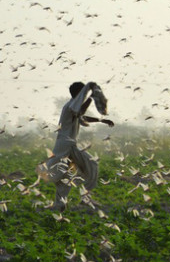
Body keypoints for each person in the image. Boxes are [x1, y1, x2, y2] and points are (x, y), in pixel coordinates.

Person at [37, 82, 113, 211]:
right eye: (83, 92)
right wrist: (91, 98)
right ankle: (85, 199)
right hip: (67, 145)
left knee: (65, 176)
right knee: (91, 165)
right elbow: (81, 112)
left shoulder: (72, 106)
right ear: (78, 94)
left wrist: (101, 120)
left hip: (65, 144)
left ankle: (60, 204)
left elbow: (82, 117)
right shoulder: (71, 106)